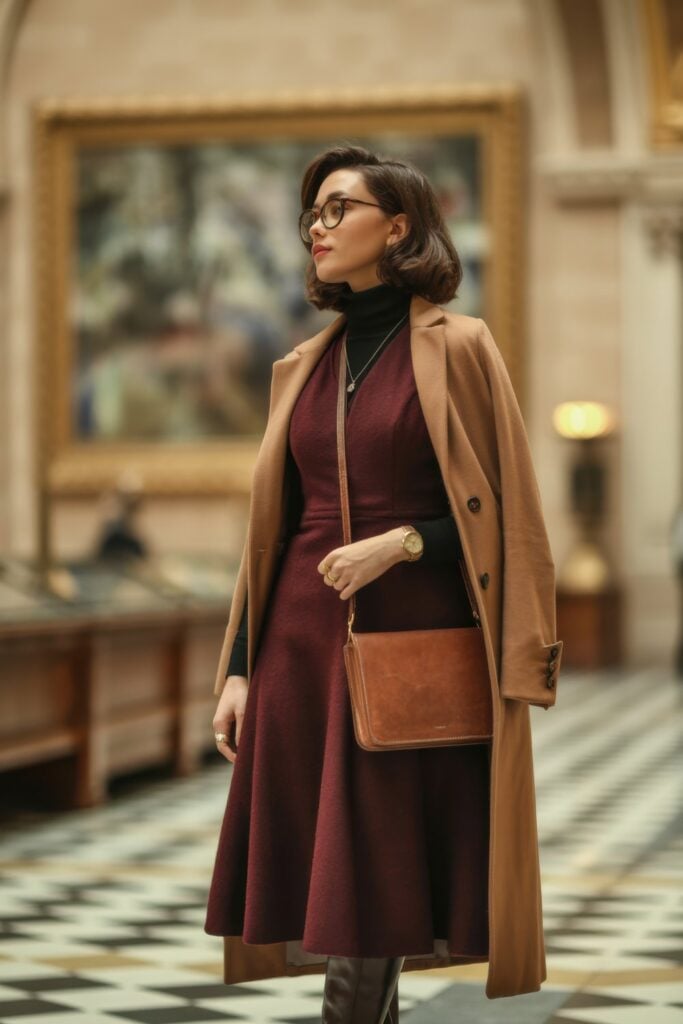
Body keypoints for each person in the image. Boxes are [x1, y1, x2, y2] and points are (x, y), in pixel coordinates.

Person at [204, 145, 563, 1020]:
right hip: (297, 650)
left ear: (397, 227)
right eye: (312, 214)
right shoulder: (301, 365)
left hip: (406, 650)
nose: (317, 228)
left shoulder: (459, 346)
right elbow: (271, 535)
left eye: (338, 209)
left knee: (375, 877)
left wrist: (399, 544)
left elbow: (505, 515)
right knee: (340, 883)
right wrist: (240, 670)